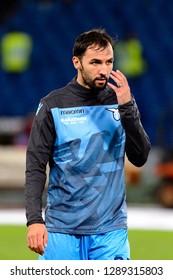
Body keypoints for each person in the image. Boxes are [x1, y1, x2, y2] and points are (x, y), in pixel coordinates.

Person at [25, 28, 150, 260]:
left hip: (110, 231)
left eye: (109, 62)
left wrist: (128, 109)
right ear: (77, 62)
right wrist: (34, 220)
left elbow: (141, 157)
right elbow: (35, 166)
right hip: (61, 229)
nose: (104, 70)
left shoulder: (121, 100)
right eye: (95, 62)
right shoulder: (53, 105)